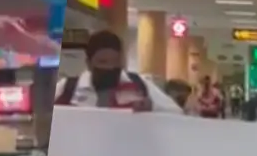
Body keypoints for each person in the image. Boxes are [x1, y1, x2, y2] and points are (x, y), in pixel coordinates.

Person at [54, 30, 182, 113]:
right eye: (102, 62)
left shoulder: (138, 84)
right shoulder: (68, 88)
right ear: (89, 63)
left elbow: (176, 112)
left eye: (115, 61)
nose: (110, 67)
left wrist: (151, 107)